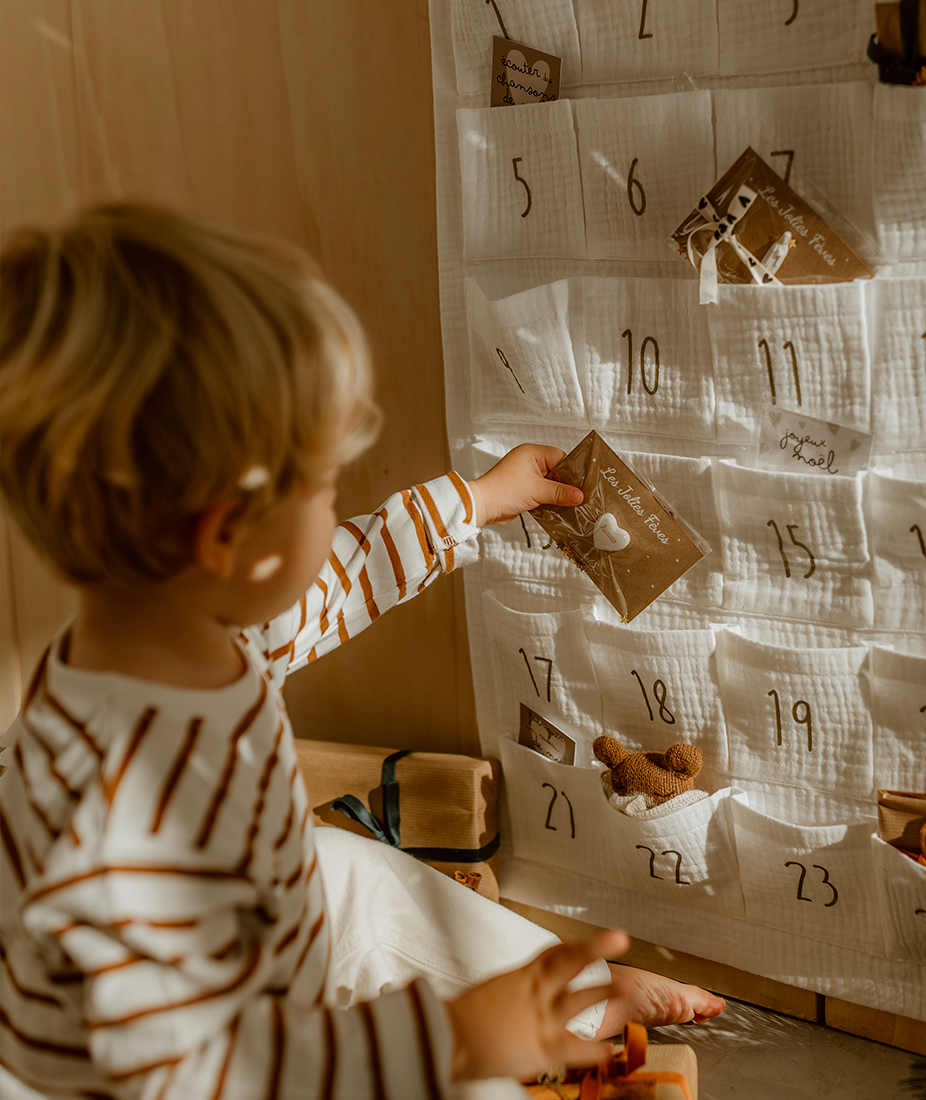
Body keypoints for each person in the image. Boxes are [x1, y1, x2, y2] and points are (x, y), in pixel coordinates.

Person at [0, 204, 723, 1100]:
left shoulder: (180, 625)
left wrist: (477, 501)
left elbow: (335, 584)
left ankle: (572, 1002)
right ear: (233, 534)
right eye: (322, 486)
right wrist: (458, 1045)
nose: (336, 508)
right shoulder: (132, 814)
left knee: (358, 880)